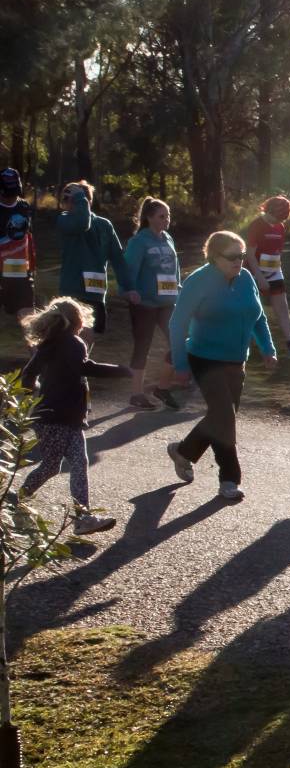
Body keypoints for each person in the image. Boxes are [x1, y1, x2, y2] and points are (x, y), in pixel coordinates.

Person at [166, 231, 278, 502]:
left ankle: (183, 451)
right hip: (205, 357)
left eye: (242, 256)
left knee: (220, 417)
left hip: (236, 360)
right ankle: (229, 479)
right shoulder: (199, 281)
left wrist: (268, 349)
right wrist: (180, 364)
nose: (239, 261)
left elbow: (258, 317)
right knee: (224, 418)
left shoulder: (246, 278)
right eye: (232, 257)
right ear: (214, 257)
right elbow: (177, 323)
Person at [16, 296, 128, 534]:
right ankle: (80, 517)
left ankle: (18, 501)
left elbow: (29, 372)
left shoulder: (48, 344)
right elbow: (86, 368)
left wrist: (30, 393)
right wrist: (121, 371)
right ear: (77, 321)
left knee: (53, 466)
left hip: (48, 416)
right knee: (72, 464)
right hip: (62, 417)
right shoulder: (73, 344)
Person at [121, 197, 183, 410]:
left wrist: (179, 288)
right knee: (143, 346)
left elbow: (174, 269)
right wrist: (129, 291)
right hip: (145, 302)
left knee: (180, 341)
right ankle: (136, 394)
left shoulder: (168, 239)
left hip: (168, 301)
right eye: (161, 216)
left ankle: (162, 388)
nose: (166, 220)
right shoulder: (139, 241)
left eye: (168, 216)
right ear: (149, 218)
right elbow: (128, 270)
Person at [55, 181, 134, 336]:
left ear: (87, 201)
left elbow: (118, 258)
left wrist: (128, 287)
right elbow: (82, 223)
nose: (67, 204)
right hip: (72, 291)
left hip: (95, 293)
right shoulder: (64, 220)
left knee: (89, 337)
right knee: (71, 337)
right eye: (66, 199)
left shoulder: (105, 225)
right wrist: (80, 199)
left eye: (72, 199)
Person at [243, 194, 290, 359]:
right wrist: (259, 277)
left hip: (274, 272)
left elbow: (276, 252)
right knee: (251, 310)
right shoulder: (256, 225)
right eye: (277, 217)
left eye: (282, 218)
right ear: (270, 210)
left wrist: (273, 274)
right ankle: (241, 347)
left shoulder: (280, 227)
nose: (278, 222)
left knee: (282, 308)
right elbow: (250, 255)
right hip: (253, 273)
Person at [1, 168, 37, 320]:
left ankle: (32, 343)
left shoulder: (24, 207)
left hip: (21, 271)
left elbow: (29, 237)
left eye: (14, 193)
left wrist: (33, 266)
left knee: (28, 316)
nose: (10, 198)